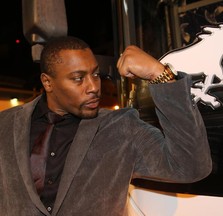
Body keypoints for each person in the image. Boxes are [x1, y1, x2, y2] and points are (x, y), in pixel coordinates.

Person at [0, 36, 212, 216]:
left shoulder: (121, 127)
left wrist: (159, 75)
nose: (93, 87)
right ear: (47, 82)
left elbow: (191, 167)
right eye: (78, 78)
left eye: (95, 74)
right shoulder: (6, 125)